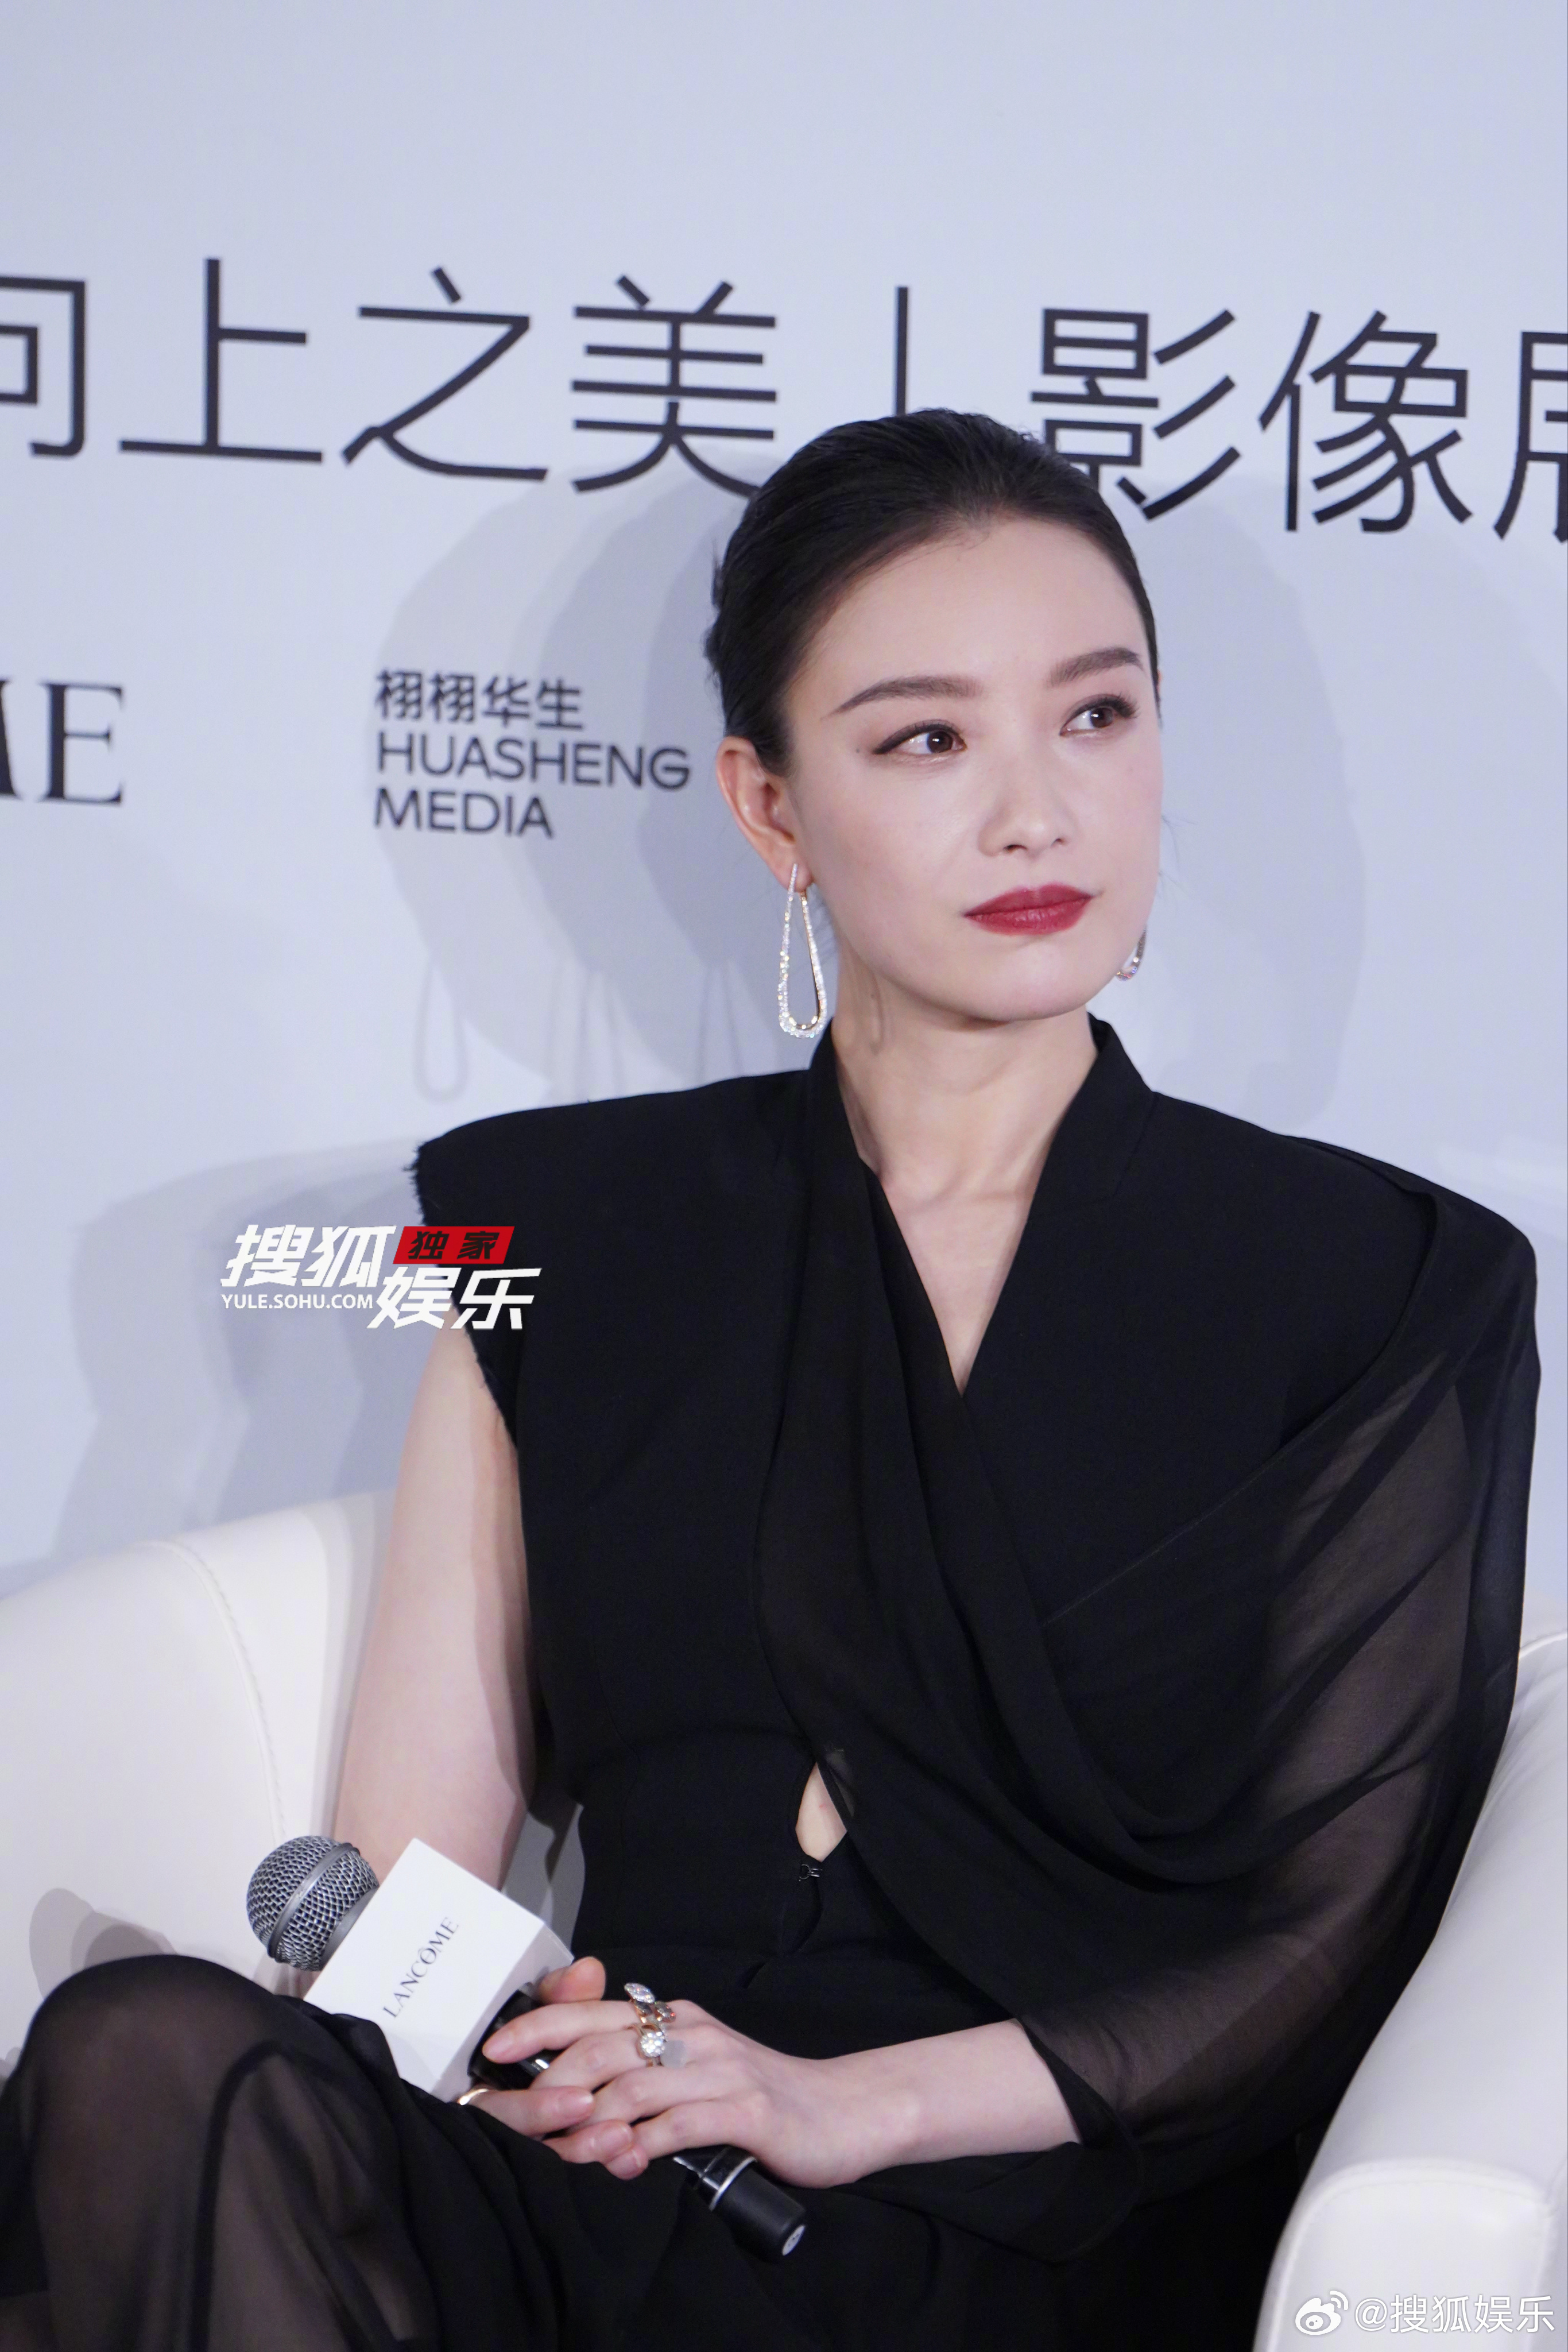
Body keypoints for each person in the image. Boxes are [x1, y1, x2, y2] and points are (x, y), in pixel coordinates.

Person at [0, 411, 1540, 2352]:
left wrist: (845, 2103)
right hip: (623, 2166)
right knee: (143, 2051)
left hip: (1053, 2209)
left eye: (1094, 715)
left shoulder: (1382, 1279)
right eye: (925, 741)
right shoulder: (557, 1224)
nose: (1036, 813)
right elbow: (404, 1880)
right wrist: (540, 2047)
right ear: (770, 806)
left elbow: (1325, 1938)